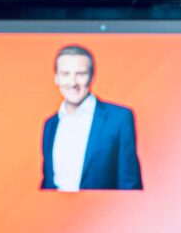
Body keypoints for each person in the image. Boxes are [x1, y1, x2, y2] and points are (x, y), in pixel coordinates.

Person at [41, 45, 142, 191]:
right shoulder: (50, 125)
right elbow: (48, 183)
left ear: (92, 77)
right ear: (56, 78)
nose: (73, 82)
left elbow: (130, 184)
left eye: (80, 74)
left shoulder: (119, 118)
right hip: (57, 213)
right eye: (65, 74)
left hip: (104, 213)